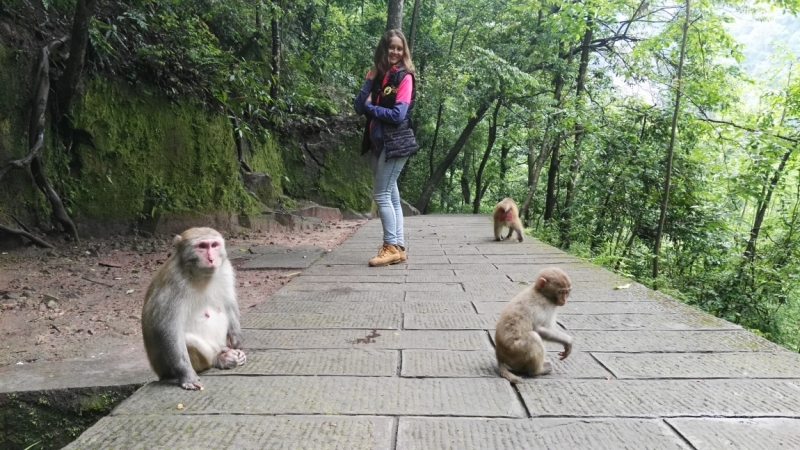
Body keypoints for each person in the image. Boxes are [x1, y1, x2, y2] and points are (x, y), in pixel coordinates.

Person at [353, 29, 417, 267]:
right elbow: (359, 106)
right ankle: (398, 248)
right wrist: (370, 79)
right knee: (391, 196)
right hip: (378, 144)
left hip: (396, 143)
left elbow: (398, 115)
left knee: (381, 194)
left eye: (400, 48)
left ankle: (389, 246)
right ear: (384, 49)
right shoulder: (377, 75)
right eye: (392, 47)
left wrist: (372, 108)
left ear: (404, 51)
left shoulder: (404, 77)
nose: (395, 52)